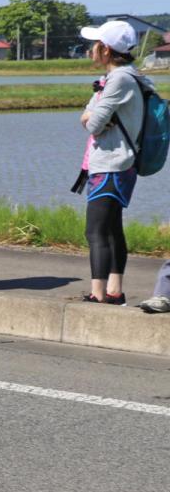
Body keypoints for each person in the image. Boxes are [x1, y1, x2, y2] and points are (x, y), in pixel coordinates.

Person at [74, 20, 152, 305]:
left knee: (95, 230)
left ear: (106, 49)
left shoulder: (118, 80)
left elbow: (93, 123)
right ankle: (115, 291)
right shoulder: (128, 76)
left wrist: (91, 117)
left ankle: (98, 294)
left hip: (110, 164)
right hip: (122, 163)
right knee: (112, 229)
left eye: (94, 45)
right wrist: (91, 116)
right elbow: (90, 116)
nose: (90, 50)